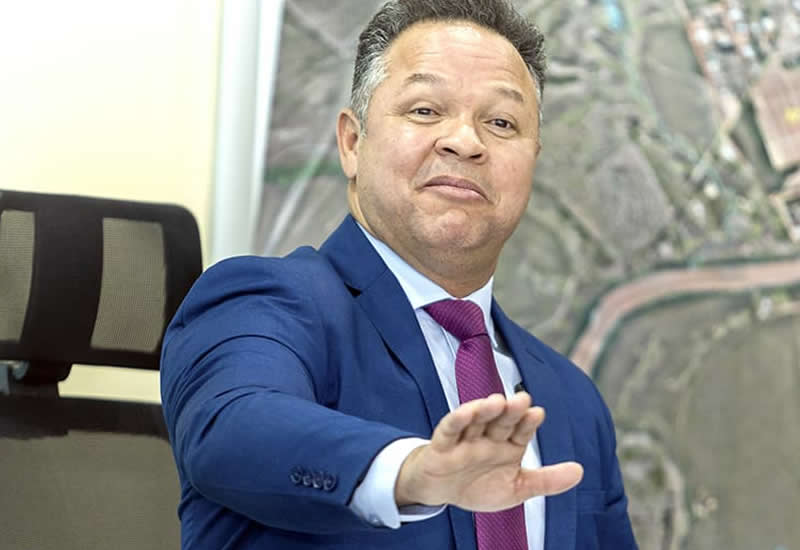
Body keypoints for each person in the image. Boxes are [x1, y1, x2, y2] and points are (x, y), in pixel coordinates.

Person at [160, 0, 638, 548]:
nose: (465, 141)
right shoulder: (266, 302)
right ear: (352, 142)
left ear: (533, 161)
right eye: (426, 110)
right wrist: (410, 473)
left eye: (501, 122)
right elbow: (233, 425)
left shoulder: (572, 400)